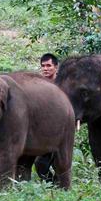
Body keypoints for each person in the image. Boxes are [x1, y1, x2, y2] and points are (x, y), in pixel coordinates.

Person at [35, 52, 59, 182]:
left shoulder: (63, 84)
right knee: (41, 164)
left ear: (56, 67)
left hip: (59, 130)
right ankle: (53, 185)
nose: (45, 68)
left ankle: (57, 187)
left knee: (54, 162)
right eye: (43, 66)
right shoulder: (38, 85)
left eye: (49, 65)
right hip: (42, 131)